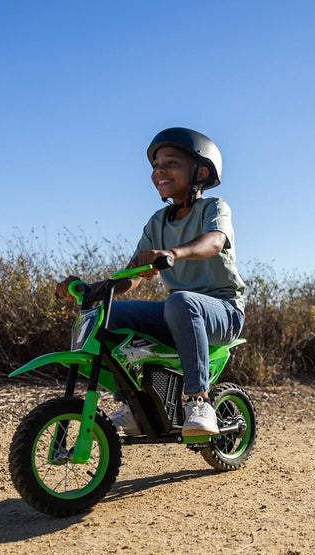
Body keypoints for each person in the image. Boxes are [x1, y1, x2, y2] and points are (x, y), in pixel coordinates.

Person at [56, 127, 246, 436]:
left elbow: (214, 241)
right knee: (108, 315)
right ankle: (133, 405)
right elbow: (130, 277)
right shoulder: (157, 222)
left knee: (181, 301)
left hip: (223, 313)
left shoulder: (213, 208)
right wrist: (90, 290)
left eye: (171, 163)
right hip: (178, 312)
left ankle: (198, 401)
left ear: (201, 172)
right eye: (156, 166)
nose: (160, 171)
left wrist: (172, 253)